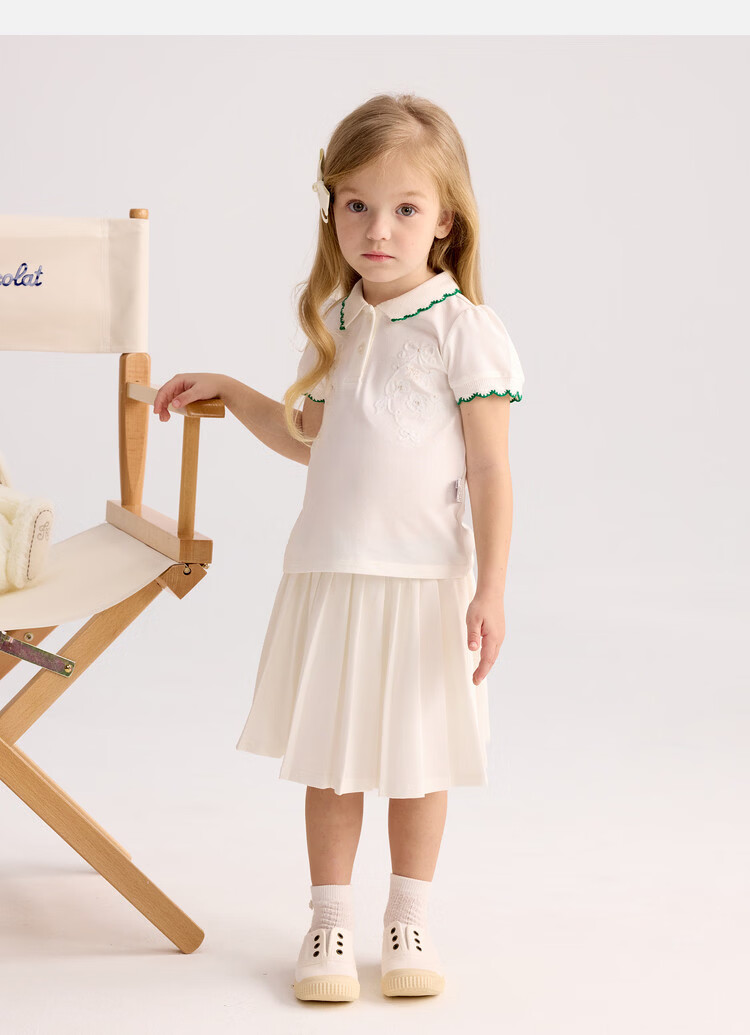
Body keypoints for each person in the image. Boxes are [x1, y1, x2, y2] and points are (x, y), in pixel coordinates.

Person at [152, 92, 525, 1004]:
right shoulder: (342, 319)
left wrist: (491, 588)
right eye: (357, 204)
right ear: (332, 209)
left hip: (425, 583)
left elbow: (490, 471)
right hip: (333, 573)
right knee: (332, 757)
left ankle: (409, 916)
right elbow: (311, 436)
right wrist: (233, 389)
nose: (378, 228)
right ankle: (328, 919)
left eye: (405, 208)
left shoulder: (462, 329)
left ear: (445, 221)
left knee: (418, 760)